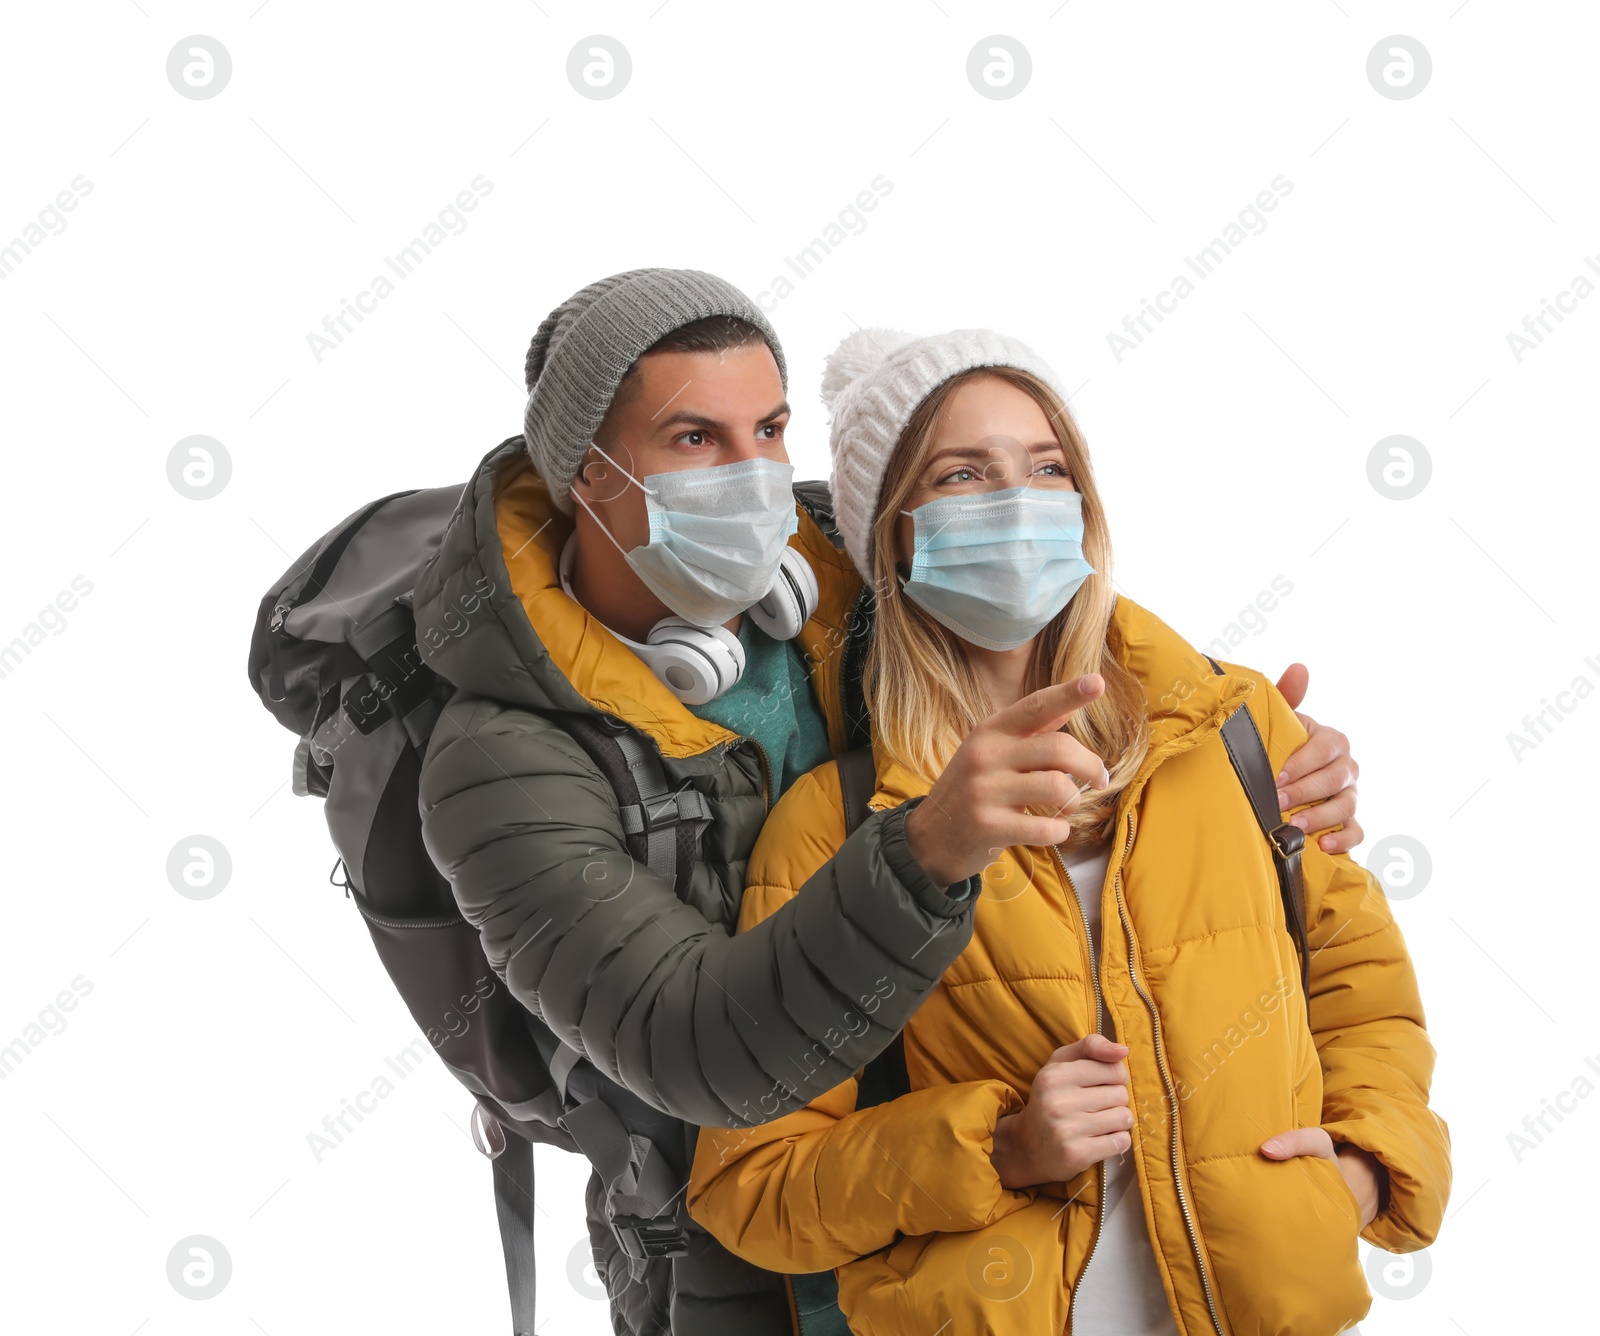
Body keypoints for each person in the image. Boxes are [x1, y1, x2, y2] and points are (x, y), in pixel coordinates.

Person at [414, 272, 1367, 1335]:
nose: (754, 475)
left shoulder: (835, 571)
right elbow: (698, 1047)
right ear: (586, 472)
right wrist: (922, 856)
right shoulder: (499, 762)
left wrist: (1230, 731)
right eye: (693, 438)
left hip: (1012, 1256)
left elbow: (1035, 603)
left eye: (770, 428)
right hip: (739, 1272)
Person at [686, 327, 1450, 1335]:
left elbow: (1365, 1005)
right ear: (898, 534)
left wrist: (1361, 1169)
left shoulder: (1236, 738)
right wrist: (997, 1147)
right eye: (963, 473)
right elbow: (751, 1186)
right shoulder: (836, 828)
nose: (1018, 500)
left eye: (1048, 467)